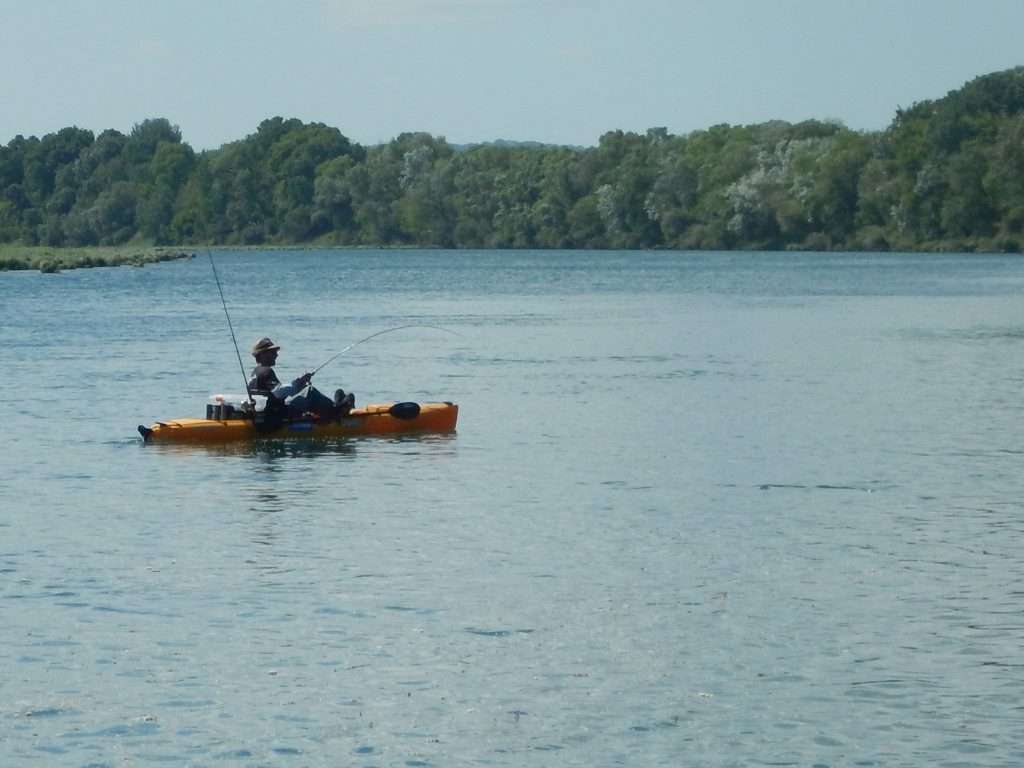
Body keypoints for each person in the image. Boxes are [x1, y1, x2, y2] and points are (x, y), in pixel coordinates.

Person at [248, 337, 354, 421]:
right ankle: (336, 411)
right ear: (262, 355)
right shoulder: (266, 371)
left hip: (270, 410)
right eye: (272, 352)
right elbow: (279, 393)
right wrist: (299, 383)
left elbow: (277, 394)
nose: (276, 355)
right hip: (279, 413)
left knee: (305, 392)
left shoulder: (255, 373)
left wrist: (299, 384)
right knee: (309, 391)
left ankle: (334, 405)